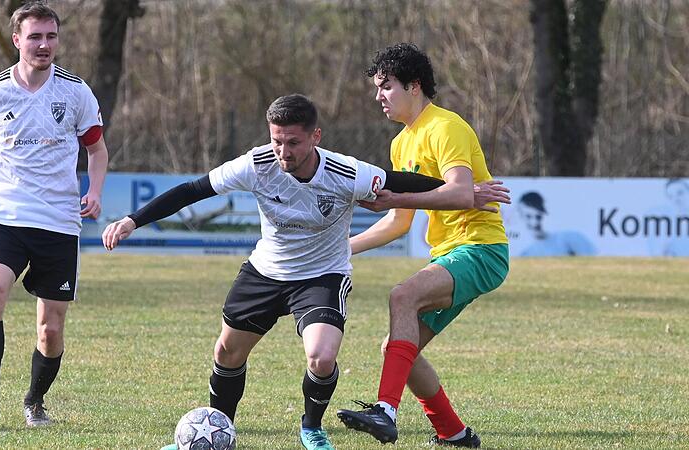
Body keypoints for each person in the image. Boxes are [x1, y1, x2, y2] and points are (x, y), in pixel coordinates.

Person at [102, 94, 508, 450]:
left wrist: (468, 193)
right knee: (226, 352)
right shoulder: (256, 164)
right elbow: (193, 190)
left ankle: (311, 428)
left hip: (322, 276)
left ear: (315, 137)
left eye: (293, 142)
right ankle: (218, 427)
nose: (283, 151)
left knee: (321, 356)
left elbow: (406, 181)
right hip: (266, 271)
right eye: (277, 140)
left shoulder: (347, 173)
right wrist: (133, 221)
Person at [0, 2, 108, 427]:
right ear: (17, 40)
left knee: (50, 330)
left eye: (51, 36)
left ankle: (34, 400)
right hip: (7, 216)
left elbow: (96, 148)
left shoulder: (75, 91)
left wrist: (95, 190)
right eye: (35, 36)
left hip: (58, 221)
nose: (44, 44)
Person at [335, 43, 510, 448]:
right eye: (378, 88)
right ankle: (454, 434)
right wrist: (344, 247)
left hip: (480, 248)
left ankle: (385, 411)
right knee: (399, 347)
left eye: (387, 86)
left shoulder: (445, 127)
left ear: (414, 86)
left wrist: (400, 197)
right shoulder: (400, 144)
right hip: (450, 253)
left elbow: (461, 192)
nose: (379, 95)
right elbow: (398, 222)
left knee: (402, 297)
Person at [517, 191, 596, 256]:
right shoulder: (527, 254)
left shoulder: (572, 238)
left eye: (538, 217)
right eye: (528, 217)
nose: (534, 223)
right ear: (521, 216)